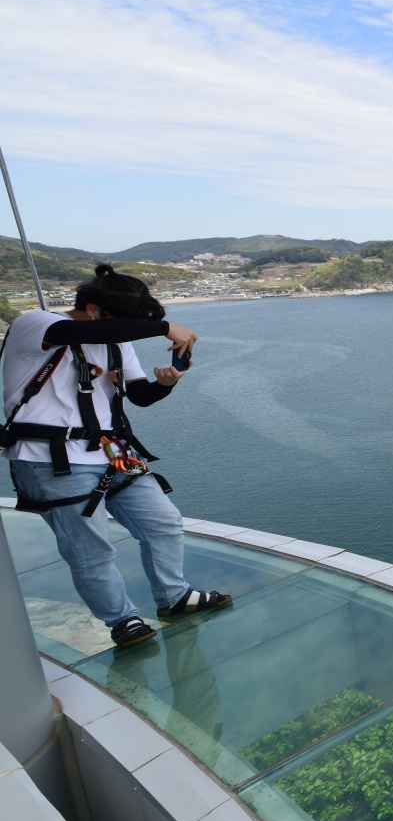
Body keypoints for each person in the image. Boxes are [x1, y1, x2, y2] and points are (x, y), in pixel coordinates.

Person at [2, 264, 231, 649]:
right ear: (92, 309)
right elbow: (78, 333)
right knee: (90, 549)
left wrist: (165, 383)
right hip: (50, 458)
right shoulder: (36, 325)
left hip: (111, 454)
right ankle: (122, 620)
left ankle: (174, 596)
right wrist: (162, 328)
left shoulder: (114, 341)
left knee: (163, 523)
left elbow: (138, 395)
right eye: (119, 320)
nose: (125, 330)